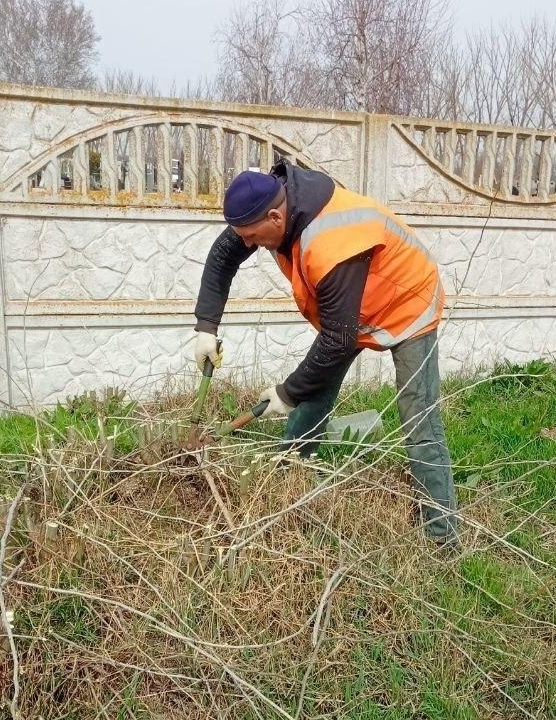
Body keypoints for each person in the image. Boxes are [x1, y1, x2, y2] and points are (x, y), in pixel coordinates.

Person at [191, 161, 458, 548]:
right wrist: (205, 328)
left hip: (406, 302)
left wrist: (286, 392)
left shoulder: (330, 240)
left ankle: (442, 538)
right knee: (314, 391)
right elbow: (223, 256)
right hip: (348, 312)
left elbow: (337, 340)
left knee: (419, 421)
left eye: (252, 236)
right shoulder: (268, 207)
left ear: (275, 216)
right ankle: (289, 486)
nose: (248, 244)